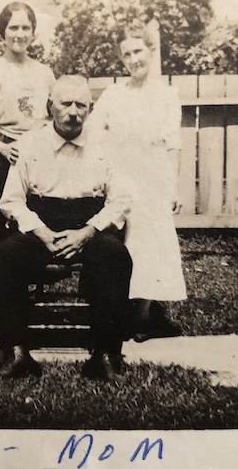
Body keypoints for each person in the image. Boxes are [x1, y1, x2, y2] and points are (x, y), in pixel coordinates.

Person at [0, 75, 133, 382]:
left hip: (90, 223)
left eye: (81, 105)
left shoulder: (106, 144)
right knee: (5, 255)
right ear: (49, 106)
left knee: (115, 254)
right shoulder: (29, 143)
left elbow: (121, 200)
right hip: (42, 221)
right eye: (65, 103)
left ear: (90, 109)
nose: (73, 112)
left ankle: (106, 355)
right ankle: (16, 353)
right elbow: (11, 200)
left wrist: (89, 231)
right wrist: (40, 231)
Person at [90, 19, 186, 342]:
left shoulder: (167, 95)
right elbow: (92, 129)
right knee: (120, 242)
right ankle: (117, 308)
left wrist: (172, 185)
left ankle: (143, 315)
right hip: (120, 176)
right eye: (126, 54)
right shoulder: (115, 94)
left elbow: (173, 145)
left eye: (138, 51)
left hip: (153, 176)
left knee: (149, 244)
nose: (133, 60)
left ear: (151, 50)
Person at [0, 2, 56, 286]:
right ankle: (4, 297)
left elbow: (55, 118)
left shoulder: (45, 73)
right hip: (3, 157)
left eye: (25, 27)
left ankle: (34, 289)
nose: (19, 34)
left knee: (37, 224)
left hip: (39, 160)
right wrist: (3, 148)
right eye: (13, 27)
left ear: (33, 32)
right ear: (2, 32)